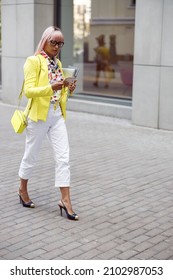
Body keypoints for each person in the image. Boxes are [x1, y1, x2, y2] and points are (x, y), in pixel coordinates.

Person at [18, 26, 78, 220]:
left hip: (56, 115)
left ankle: (65, 200)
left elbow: (61, 93)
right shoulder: (33, 61)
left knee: (63, 158)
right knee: (31, 155)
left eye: (60, 43)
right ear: (44, 40)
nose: (57, 46)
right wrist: (50, 87)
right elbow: (29, 91)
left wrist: (69, 89)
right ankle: (22, 189)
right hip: (38, 116)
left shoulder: (57, 63)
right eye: (54, 42)